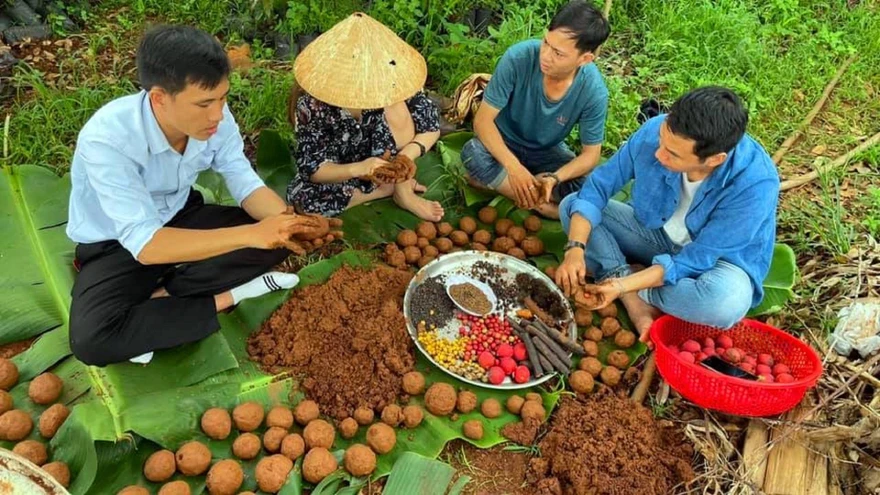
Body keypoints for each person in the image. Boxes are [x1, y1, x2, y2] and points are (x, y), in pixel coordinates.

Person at [67, 25, 311, 366]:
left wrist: (288, 222)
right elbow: (146, 244)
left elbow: (241, 177)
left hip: (181, 215)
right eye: (204, 103)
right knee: (91, 340)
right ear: (159, 98)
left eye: (223, 98)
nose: (218, 114)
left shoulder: (215, 117)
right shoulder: (108, 140)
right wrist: (253, 234)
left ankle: (165, 296)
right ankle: (229, 296)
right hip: (117, 244)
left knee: (282, 239)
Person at [555, 86, 780, 342]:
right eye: (662, 140)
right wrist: (575, 249)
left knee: (725, 304)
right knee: (572, 205)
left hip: (714, 263)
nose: (658, 153)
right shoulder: (658, 130)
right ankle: (633, 285)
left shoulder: (755, 184)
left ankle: (629, 285)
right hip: (657, 235)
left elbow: (695, 260)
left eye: (672, 154)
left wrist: (621, 286)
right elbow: (597, 189)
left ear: (714, 159)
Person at [286, 13, 444, 222]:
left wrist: (404, 159)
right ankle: (382, 190)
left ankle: (402, 190)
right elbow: (314, 169)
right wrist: (359, 169)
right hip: (342, 171)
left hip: (384, 162)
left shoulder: (393, 83)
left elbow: (430, 127)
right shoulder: (312, 105)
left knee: (396, 109)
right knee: (303, 201)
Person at [461, 0, 610, 219]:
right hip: (503, 142)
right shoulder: (518, 58)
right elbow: (483, 122)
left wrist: (555, 178)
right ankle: (544, 206)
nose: (546, 55)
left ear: (585, 59)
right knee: (473, 153)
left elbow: (591, 155)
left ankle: (510, 187)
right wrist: (514, 168)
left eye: (558, 53)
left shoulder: (593, 91)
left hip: (546, 153)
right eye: (546, 42)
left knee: (592, 180)